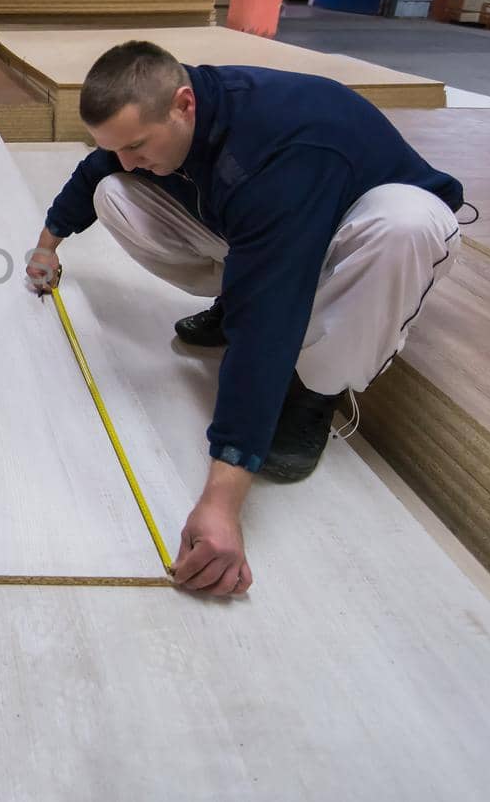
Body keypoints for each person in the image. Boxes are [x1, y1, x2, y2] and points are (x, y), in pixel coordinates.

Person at [26, 40, 465, 598]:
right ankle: (231, 297)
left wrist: (222, 498)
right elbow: (96, 172)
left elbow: (268, 325)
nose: (129, 156)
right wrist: (48, 247)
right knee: (116, 190)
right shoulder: (177, 120)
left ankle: (314, 393)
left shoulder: (275, 152)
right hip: (271, 224)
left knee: (401, 229)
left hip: (363, 230)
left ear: (183, 104)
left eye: (137, 144)